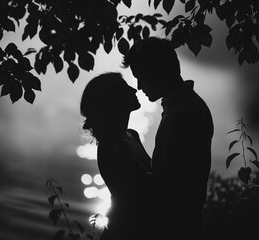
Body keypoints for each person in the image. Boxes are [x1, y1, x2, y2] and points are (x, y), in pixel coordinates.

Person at [122, 36, 214, 240]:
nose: (138, 86)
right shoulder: (190, 105)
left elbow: (168, 188)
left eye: (141, 76)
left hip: (174, 227)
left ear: (157, 70)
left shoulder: (181, 115)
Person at [80, 72, 152, 240]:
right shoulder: (109, 148)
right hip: (125, 231)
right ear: (114, 100)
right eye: (126, 88)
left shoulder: (132, 135)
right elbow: (138, 193)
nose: (134, 89)